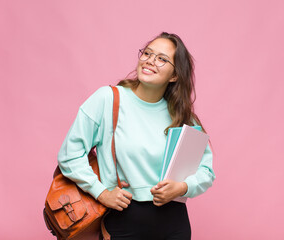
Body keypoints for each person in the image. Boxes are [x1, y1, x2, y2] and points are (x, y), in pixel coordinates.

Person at [58, 32, 215, 240]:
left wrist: (182, 187)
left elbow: (206, 171)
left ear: (175, 75)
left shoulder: (182, 116)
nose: (150, 60)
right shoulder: (108, 99)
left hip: (174, 223)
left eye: (162, 59)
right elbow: (69, 155)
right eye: (148, 53)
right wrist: (101, 192)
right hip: (123, 221)